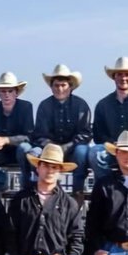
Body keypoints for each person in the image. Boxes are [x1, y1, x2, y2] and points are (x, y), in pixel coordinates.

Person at [31, 64, 92, 197]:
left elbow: (85, 134)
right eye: (56, 85)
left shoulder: (81, 105)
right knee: (33, 153)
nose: (60, 89)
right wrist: (53, 149)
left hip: (73, 151)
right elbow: (40, 134)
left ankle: (77, 192)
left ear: (70, 87)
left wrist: (67, 147)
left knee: (82, 152)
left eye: (63, 85)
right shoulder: (44, 106)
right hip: (48, 151)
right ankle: (35, 193)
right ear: (51, 87)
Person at [0, 72, 35, 190]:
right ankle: (1, 182)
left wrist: (6, 140)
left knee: (26, 148)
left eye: (10, 91)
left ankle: (26, 188)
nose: (6, 95)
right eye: (3, 91)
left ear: (16, 93)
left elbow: (29, 136)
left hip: (19, 151)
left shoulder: (26, 107)